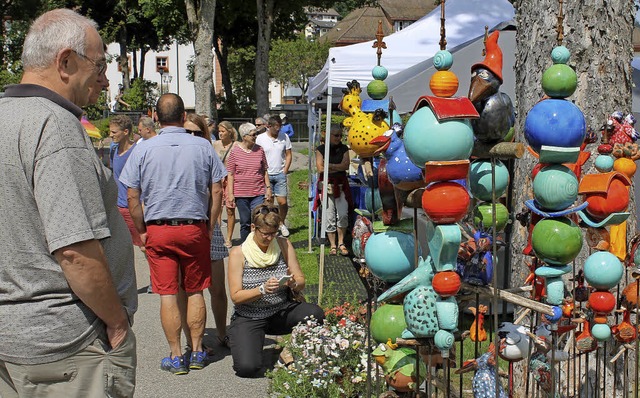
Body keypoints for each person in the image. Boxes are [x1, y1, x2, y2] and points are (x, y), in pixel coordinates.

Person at [0, 9, 137, 397]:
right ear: (65, 62)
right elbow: (75, 251)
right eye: (99, 65)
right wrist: (117, 322)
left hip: (14, 341)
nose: (104, 78)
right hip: (65, 346)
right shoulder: (54, 125)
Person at [120, 93, 225, 375]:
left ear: (156, 117)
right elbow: (217, 189)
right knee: (194, 290)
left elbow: (132, 196)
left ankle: (176, 355)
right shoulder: (203, 147)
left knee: (167, 293)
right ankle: (198, 351)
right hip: (193, 227)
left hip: (159, 228)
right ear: (183, 117)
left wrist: (141, 230)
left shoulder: (143, 149)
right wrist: (211, 224)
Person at [228, 204, 325, 377]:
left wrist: (293, 283)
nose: (269, 238)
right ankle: (249, 341)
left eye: (273, 233)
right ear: (253, 228)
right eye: (265, 233)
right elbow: (236, 296)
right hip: (250, 316)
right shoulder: (238, 253)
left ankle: (289, 352)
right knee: (247, 368)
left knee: (315, 313)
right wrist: (262, 289)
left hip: (281, 311)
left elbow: (301, 280)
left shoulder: (283, 244)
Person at [182, 113, 230, 348]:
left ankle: (222, 333)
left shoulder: (208, 152)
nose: (192, 137)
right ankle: (193, 342)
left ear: (205, 134)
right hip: (187, 227)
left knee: (217, 288)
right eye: (187, 132)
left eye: (197, 132)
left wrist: (212, 224)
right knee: (189, 288)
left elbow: (219, 189)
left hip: (209, 226)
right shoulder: (178, 155)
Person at [226, 123, 271, 243]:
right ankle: (245, 246)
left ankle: (258, 244)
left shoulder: (260, 150)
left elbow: (264, 170)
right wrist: (231, 194)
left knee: (258, 219)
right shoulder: (235, 152)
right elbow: (230, 174)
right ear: (244, 136)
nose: (255, 136)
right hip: (241, 194)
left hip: (258, 192)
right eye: (253, 134)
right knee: (245, 221)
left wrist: (268, 188)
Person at [315, 125, 353, 256]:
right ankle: (333, 244)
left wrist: (329, 165)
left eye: (340, 135)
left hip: (341, 186)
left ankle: (341, 242)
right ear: (329, 135)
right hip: (326, 186)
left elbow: (345, 165)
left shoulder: (344, 148)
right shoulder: (321, 149)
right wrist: (337, 167)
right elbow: (320, 168)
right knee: (329, 216)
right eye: (336, 135)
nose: (338, 138)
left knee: (342, 214)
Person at [110, 115, 143, 250]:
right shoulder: (113, 149)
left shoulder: (136, 152)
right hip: (117, 206)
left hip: (132, 206)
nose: (111, 135)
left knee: (142, 245)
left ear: (125, 132)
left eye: (114, 132)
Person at [256, 115, 292, 237]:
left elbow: (288, 154)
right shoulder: (260, 138)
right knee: (268, 202)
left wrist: (285, 170)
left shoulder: (284, 137)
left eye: (280, 126)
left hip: (279, 173)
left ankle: (281, 223)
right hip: (266, 174)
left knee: (282, 202)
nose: (278, 129)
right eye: (276, 126)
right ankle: (271, 225)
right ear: (268, 126)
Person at [214, 121, 239, 248]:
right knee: (217, 209)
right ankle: (218, 237)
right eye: (219, 131)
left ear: (229, 132)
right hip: (218, 180)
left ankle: (229, 238)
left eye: (223, 131)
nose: (220, 133)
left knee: (230, 209)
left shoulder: (236, 145)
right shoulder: (215, 145)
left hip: (230, 180)